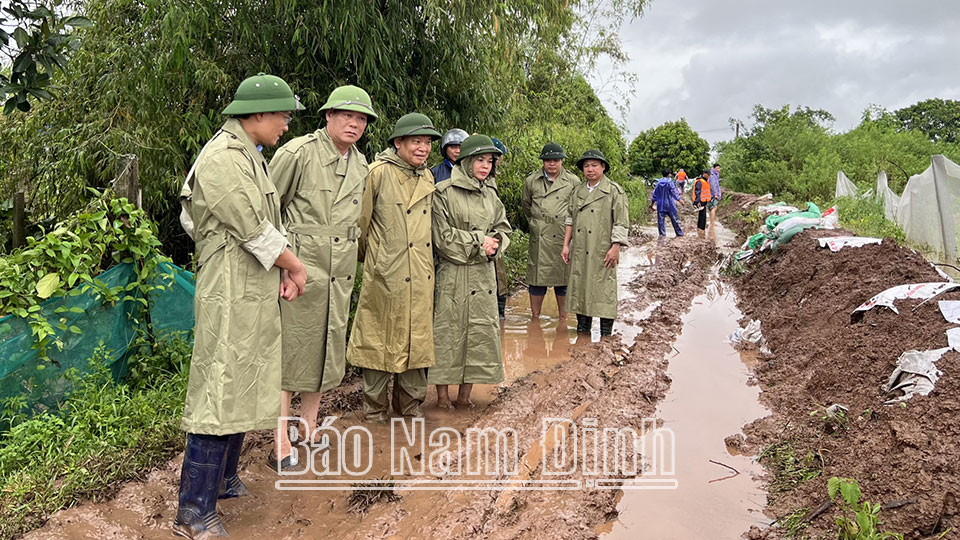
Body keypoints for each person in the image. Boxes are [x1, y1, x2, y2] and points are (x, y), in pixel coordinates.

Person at [175, 73, 307, 539]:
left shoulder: (249, 156)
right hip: (230, 292)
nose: (286, 125)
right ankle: (193, 511)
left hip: (249, 287)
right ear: (257, 114)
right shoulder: (224, 158)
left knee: (249, 379)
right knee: (221, 387)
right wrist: (295, 267)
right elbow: (251, 228)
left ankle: (225, 481)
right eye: (283, 115)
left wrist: (269, 271)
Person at [269, 84, 377, 468]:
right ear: (328, 116)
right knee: (290, 353)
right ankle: (279, 440)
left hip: (340, 272)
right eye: (346, 115)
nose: (354, 124)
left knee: (325, 350)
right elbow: (266, 211)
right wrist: (282, 265)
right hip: (299, 268)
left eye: (361, 118)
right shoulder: (297, 153)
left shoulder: (362, 164)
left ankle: (308, 426)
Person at [347, 113, 441, 422]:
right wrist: (378, 261)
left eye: (427, 143)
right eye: (417, 141)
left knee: (417, 342)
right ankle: (375, 413)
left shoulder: (428, 177)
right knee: (377, 341)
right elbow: (359, 228)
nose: (423, 148)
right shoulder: (377, 174)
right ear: (398, 143)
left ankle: (410, 408)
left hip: (421, 273)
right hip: (385, 275)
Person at [430, 134, 512, 408]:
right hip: (453, 275)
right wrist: (479, 242)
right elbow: (441, 238)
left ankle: (465, 396)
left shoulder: (491, 195)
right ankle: (442, 397)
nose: (485, 166)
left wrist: (496, 244)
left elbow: (503, 227)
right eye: (479, 160)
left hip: (483, 274)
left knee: (479, 334)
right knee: (447, 333)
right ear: (465, 161)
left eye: (489, 161)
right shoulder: (442, 193)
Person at [561, 150, 629, 337]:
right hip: (580, 247)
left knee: (604, 288)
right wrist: (566, 245)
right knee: (580, 286)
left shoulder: (614, 191)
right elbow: (569, 219)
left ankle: (606, 334)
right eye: (586, 166)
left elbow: (621, 222)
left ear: (603, 167)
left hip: (602, 249)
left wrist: (616, 247)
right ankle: (583, 332)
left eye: (594, 165)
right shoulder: (577, 191)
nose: (590, 169)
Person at [522, 142, 579, 320]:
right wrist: (536, 225)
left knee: (563, 280)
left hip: (563, 236)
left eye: (555, 160)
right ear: (543, 162)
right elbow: (526, 207)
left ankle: (563, 319)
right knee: (537, 280)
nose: (552, 164)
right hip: (540, 237)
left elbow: (576, 209)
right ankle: (535, 319)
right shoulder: (531, 181)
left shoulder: (573, 181)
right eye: (548, 160)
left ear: (562, 161)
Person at [489, 136, 511, 319]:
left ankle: (500, 315)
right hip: (482, 238)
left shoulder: (492, 179)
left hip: (495, 236)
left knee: (499, 276)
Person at [651, 168, 684, 238]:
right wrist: (679, 200)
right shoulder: (670, 182)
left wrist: (652, 204)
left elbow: (654, 194)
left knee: (661, 222)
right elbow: (674, 192)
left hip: (660, 205)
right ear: (669, 174)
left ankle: (662, 236)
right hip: (670, 204)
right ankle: (679, 233)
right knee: (674, 219)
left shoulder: (659, 183)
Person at [692, 170, 712, 238]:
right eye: (708, 174)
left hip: (704, 201)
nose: (709, 176)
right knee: (702, 216)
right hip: (700, 202)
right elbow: (698, 192)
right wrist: (698, 202)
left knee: (702, 216)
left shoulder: (705, 181)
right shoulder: (700, 181)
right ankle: (701, 230)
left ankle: (701, 229)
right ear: (704, 174)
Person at [708, 163, 722, 239]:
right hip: (712, 194)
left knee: (711, 208)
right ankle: (712, 222)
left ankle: (711, 222)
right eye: (717, 168)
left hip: (711, 194)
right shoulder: (713, 175)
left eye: (719, 168)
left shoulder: (715, 175)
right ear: (714, 168)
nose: (719, 170)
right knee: (714, 207)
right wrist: (715, 194)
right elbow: (713, 185)